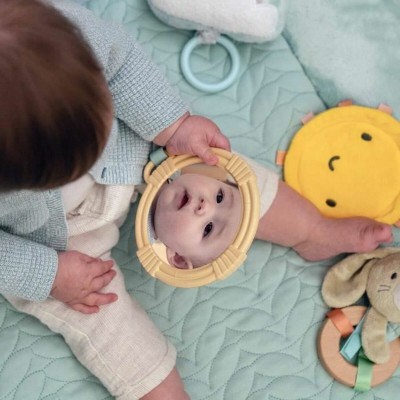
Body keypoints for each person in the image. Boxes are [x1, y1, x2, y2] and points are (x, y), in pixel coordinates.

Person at [0, 1, 392, 400]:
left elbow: (120, 64)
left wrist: (173, 125)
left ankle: (313, 230)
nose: (206, 209)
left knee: (225, 178)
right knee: (98, 313)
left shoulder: (52, 27)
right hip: (51, 241)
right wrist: (49, 274)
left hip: (132, 149)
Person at [153, 157, 393, 269]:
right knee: (239, 192)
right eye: (207, 230)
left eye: (219, 196)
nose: (205, 206)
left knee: (243, 197)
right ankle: (315, 231)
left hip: (174, 155)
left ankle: (315, 232)